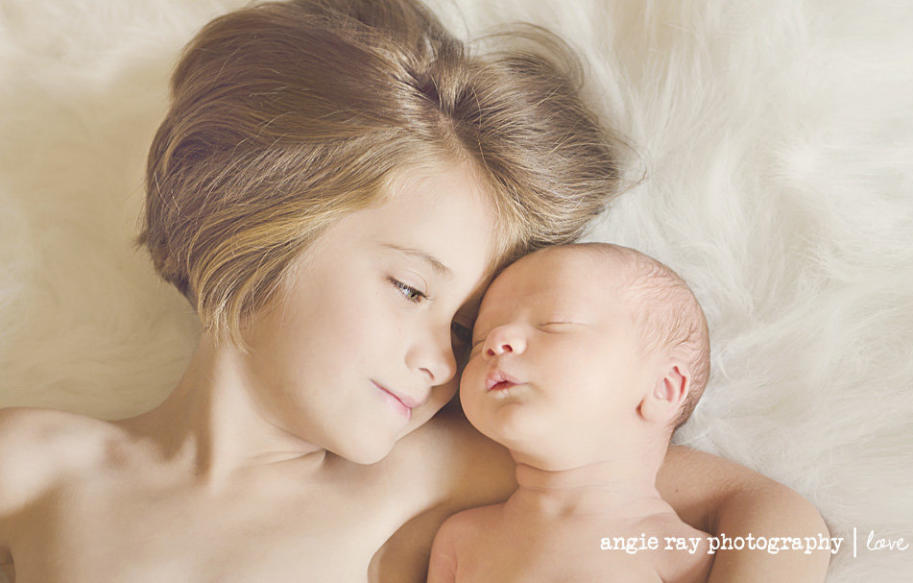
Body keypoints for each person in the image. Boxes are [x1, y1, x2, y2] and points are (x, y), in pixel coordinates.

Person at [0, 1, 829, 581]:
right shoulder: (37, 464)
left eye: (465, 329)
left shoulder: (440, 470)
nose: (443, 360)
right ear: (257, 217)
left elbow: (767, 509)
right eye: (408, 288)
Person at [428, 243, 714, 582]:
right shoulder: (461, 538)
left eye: (553, 323)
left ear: (663, 388)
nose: (496, 341)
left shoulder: (684, 557)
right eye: (479, 342)